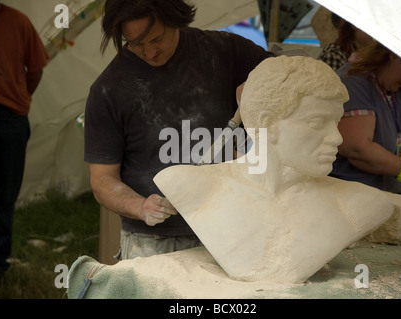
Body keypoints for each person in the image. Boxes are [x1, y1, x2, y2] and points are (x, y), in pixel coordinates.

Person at [153, 55, 393, 284]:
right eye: (317, 122)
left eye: (336, 122)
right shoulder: (193, 186)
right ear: (267, 124)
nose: (337, 138)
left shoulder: (359, 205)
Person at [84, 0, 275, 260]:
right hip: (153, 242)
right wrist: (141, 206)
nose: (150, 52)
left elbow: (284, 73)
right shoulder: (108, 90)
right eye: (137, 44)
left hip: (231, 227)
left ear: (174, 19)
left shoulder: (223, 51)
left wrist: (259, 85)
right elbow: (102, 181)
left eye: (156, 39)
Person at [0, 0, 49, 283]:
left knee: (6, 195)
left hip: (9, 117)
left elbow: (35, 67)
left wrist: (20, 99)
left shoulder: (18, 21)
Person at [330, 41, 401, 194]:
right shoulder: (353, 82)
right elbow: (357, 148)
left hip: (386, 198)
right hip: (349, 198)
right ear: (394, 56)